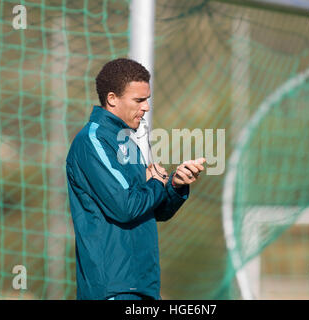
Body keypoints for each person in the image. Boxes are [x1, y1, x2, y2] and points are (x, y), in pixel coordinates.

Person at [65, 58, 205, 300]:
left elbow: (151, 209)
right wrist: (156, 182)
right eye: (139, 100)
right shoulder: (93, 141)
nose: (147, 107)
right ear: (112, 99)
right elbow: (126, 207)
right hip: (113, 289)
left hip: (142, 286)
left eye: (147, 99)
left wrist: (174, 185)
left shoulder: (127, 143)